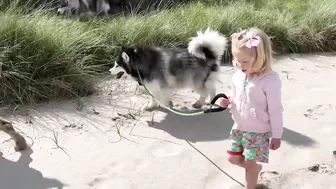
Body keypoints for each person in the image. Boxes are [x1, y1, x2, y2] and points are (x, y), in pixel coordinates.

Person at [220, 28, 284, 189]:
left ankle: (251, 182)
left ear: (261, 57)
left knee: (250, 165)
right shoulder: (238, 75)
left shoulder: (270, 80)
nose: (240, 65)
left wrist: (277, 135)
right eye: (237, 60)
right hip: (239, 128)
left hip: (258, 132)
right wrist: (228, 101)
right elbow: (235, 95)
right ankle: (255, 169)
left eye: (245, 61)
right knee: (232, 158)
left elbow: (276, 110)